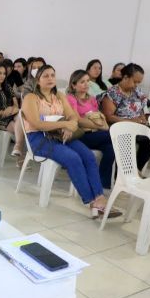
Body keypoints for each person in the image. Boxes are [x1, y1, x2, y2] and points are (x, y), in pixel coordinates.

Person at [22, 65, 119, 218]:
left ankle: (100, 197)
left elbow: (73, 116)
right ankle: (91, 202)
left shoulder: (59, 96)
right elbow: (36, 123)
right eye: (45, 76)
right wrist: (64, 124)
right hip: (39, 138)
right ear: (38, 80)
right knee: (72, 158)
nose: (50, 78)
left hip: (61, 135)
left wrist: (69, 126)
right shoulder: (31, 97)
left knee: (88, 156)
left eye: (52, 75)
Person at [66, 70, 116, 189]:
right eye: (82, 82)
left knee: (111, 148)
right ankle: (123, 174)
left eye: (88, 81)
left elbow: (100, 116)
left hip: (95, 134)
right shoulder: (70, 98)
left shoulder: (92, 99)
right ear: (74, 85)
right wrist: (98, 125)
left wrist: (98, 124)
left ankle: (103, 183)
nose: (86, 84)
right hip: (80, 135)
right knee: (115, 135)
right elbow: (77, 120)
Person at [102, 63, 150, 172]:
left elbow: (142, 109)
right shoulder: (112, 93)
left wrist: (143, 118)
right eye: (135, 81)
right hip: (119, 127)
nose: (136, 85)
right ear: (125, 77)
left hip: (135, 126)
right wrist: (130, 121)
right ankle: (121, 175)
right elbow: (109, 117)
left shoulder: (137, 92)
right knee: (128, 139)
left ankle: (136, 170)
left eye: (139, 82)